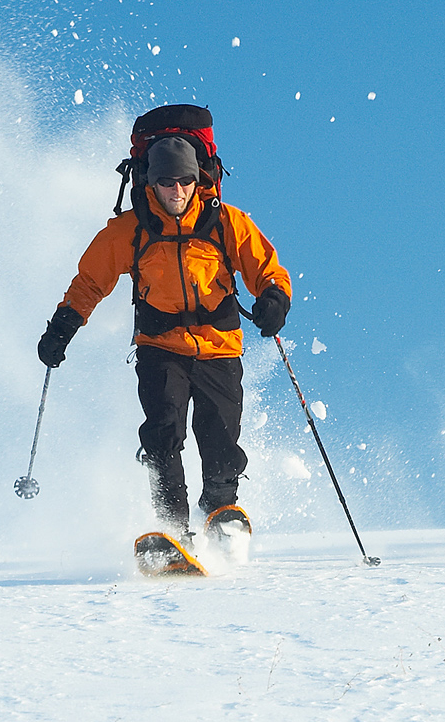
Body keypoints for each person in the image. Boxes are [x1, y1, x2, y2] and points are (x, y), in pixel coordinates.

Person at [35, 134, 292, 547]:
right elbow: (90, 282)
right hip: (160, 348)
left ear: (199, 179)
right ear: (151, 182)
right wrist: (63, 326)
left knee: (221, 437)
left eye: (186, 181)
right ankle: (173, 530)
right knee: (163, 432)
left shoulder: (226, 222)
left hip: (218, 347)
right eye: (168, 181)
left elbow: (267, 268)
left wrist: (274, 299)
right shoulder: (131, 229)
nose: (177, 190)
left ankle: (221, 513)